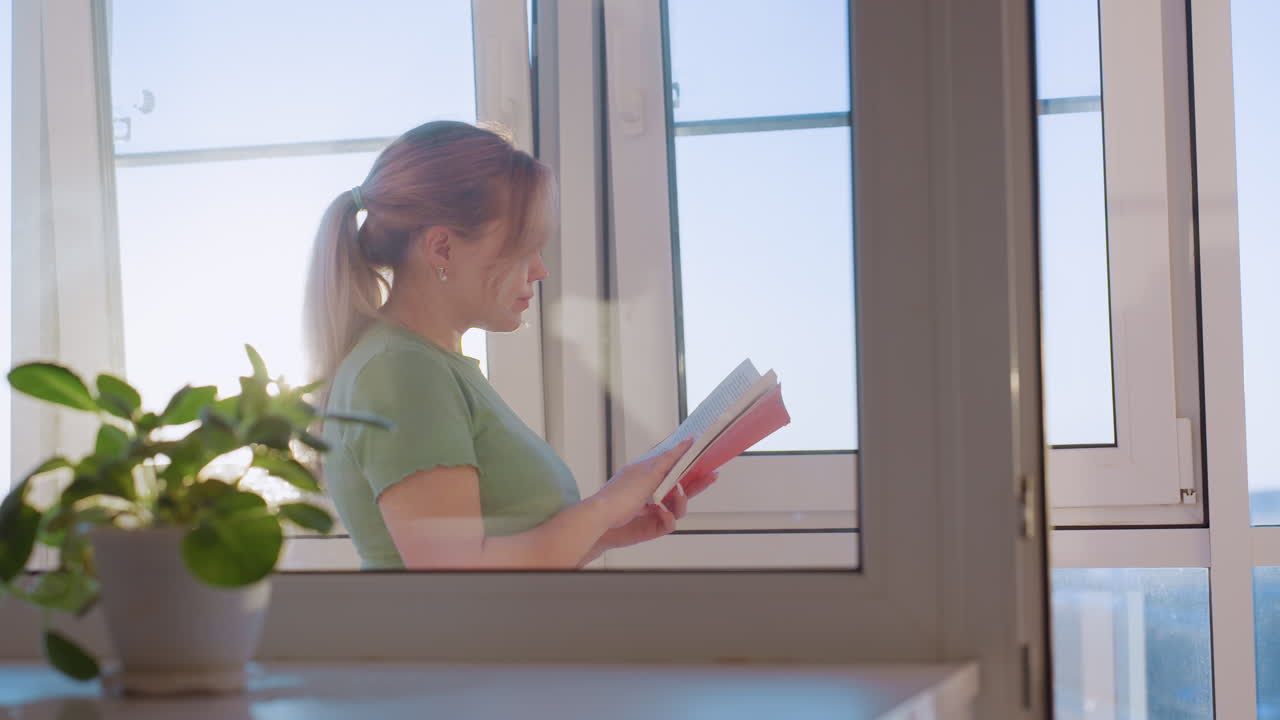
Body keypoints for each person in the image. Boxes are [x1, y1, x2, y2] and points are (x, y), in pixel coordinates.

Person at [303, 121, 716, 569]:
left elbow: (490, 567)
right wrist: (604, 508)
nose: (539, 269)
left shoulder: (424, 365)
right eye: (524, 247)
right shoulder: (401, 370)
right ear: (442, 248)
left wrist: (606, 533)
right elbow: (456, 579)